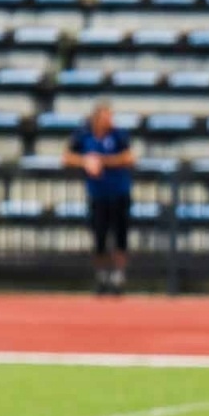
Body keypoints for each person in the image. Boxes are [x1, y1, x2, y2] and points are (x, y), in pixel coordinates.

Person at [62, 100, 134, 295]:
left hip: (119, 192)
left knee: (121, 235)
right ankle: (102, 276)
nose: (109, 121)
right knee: (99, 236)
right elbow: (67, 157)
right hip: (97, 194)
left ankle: (119, 276)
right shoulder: (83, 135)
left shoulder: (118, 135)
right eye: (106, 117)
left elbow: (129, 157)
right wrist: (85, 161)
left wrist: (103, 161)